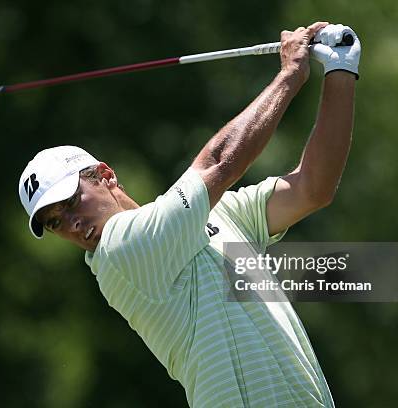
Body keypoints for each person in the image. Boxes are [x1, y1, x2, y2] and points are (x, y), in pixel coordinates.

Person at [18, 21, 360, 408]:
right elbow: (219, 163)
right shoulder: (119, 254)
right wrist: (290, 77)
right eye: (55, 222)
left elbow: (313, 188)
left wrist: (341, 70)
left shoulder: (219, 214)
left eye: (71, 202)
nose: (72, 224)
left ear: (106, 176)